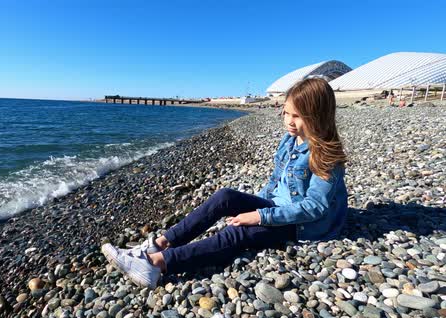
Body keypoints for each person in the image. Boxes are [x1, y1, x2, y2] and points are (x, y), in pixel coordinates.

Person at [102, 78, 349, 289]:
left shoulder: (326, 155)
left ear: (317, 116)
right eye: (286, 112)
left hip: (301, 225)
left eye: (297, 116)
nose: (289, 121)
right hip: (276, 206)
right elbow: (275, 183)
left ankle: (156, 264)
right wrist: (253, 207)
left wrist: (260, 216)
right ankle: (157, 244)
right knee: (225, 196)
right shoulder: (289, 140)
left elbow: (315, 208)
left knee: (237, 232)